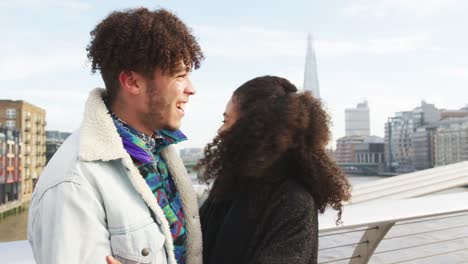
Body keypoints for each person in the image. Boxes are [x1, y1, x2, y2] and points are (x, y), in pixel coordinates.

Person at [27, 8, 204, 264]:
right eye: (179, 75)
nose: (191, 88)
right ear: (132, 82)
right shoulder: (73, 184)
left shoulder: (157, 150)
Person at [198, 76, 351, 264]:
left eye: (226, 119)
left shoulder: (294, 201)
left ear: (253, 126)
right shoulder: (230, 184)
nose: (221, 130)